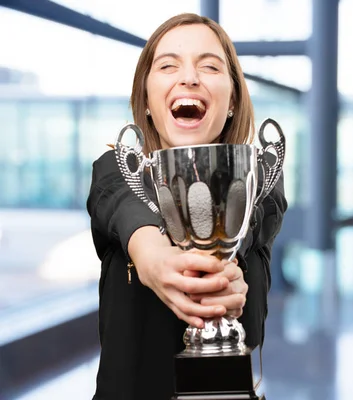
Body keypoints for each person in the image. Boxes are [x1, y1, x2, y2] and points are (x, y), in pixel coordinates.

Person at [86, 13, 287, 399]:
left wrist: (220, 263)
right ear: (146, 100)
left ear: (231, 101)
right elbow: (123, 207)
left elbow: (256, 216)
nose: (189, 77)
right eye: (168, 65)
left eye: (210, 66)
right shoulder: (117, 171)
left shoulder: (260, 184)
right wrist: (154, 258)